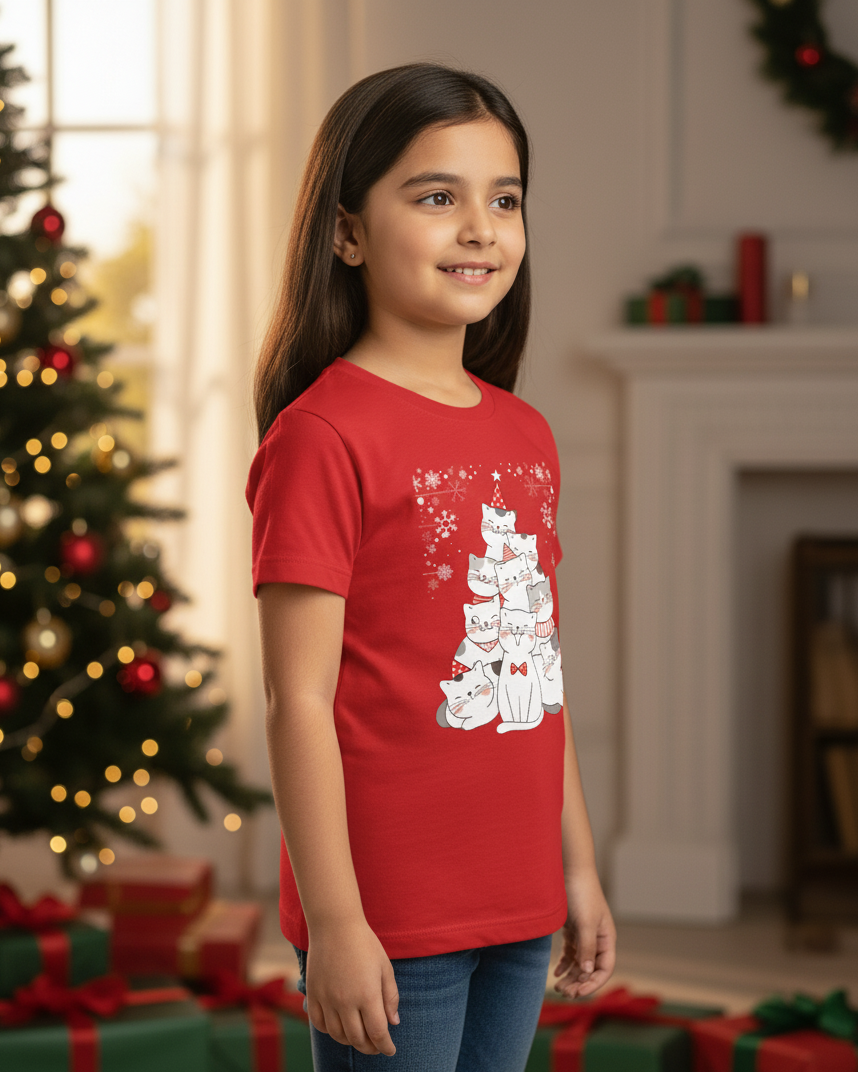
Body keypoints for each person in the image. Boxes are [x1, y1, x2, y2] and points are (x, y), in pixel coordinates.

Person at [245, 62, 616, 1071]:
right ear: (347, 231)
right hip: (391, 910)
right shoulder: (322, 434)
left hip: (521, 894)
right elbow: (299, 700)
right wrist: (336, 920)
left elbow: (538, 671)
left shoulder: (525, 432)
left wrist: (576, 866)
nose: (480, 228)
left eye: (504, 200)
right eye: (437, 196)